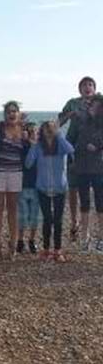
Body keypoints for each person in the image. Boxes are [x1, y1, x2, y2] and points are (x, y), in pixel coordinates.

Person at [25, 121, 74, 262]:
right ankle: (46, 250)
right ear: (42, 131)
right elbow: (28, 163)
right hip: (42, 187)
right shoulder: (38, 147)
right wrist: (33, 146)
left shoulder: (60, 145)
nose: (49, 130)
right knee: (47, 219)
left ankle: (58, 250)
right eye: (46, 128)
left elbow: (71, 150)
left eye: (52, 128)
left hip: (60, 187)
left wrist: (59, 136)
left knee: (58, 220)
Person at [0, 101, 28, 259]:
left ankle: (13, 244)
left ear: (18, 113)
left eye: (14, 111)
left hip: (16, 173)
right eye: (9, 111)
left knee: (13, 209)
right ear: (5, 114)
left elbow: (35, 142)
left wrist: (27, 137)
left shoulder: (24, 130)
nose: (12, 114)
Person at [59, 76, 97, 241]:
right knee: (73, 187)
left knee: (92, 189)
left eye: (90, 85)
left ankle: (86, 227)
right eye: (84, 85)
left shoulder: (99, 102)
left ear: (94, 88)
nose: (87, 87)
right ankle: (74, 222)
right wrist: (69, 114)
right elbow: (58, 122)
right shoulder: (73, 103)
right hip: (73, 149)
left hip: (94, 151)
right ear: (79, 89)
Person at [70, 94, 103, 254]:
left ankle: (101, 240)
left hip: (99, 168)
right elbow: (73, 140)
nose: (94, 110)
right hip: (82, 167)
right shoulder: (81, 122)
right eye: (92, 106)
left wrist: (98, 146)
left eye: (98, 107)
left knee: (100, 204)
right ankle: (85, 238)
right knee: (84, 203)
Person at [17, 122, 40, 254]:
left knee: (35, 216)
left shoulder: (41, 147)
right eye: (30, 131)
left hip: (37, 186)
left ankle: (32, 240)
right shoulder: (22, 146)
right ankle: (20, 240)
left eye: (35, 132)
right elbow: (26, 165)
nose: (33, 135)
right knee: (22, 215)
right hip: (23, 184)